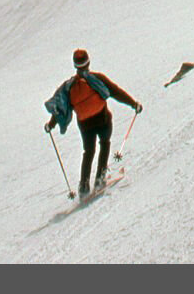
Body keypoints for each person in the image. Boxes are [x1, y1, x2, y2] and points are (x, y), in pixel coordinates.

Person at [44, 48, 141, 195]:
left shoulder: (69, 87)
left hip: (85, 124)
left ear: (75, 65)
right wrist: (133, 104)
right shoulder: (96, 79)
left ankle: (83, 186)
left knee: (88, 152)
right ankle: (100, 178)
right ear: (88, 62)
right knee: (105, 143)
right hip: (102, 119)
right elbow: (115, 92)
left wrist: (51, 124)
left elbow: (61, 108)